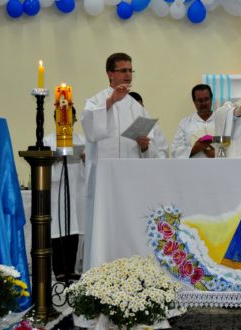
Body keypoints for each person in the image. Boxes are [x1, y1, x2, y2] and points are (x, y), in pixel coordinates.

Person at [81, 52, 168, 270]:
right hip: (105, 183)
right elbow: (90, 129)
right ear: (110, 74)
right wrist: (110, 102)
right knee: (105, 227)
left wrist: (145, 146)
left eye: (130, 70)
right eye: (123, 70)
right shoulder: (96, 101)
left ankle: (133, 270)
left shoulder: (136, 107)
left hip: (131, 184)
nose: (128, 74)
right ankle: (102, 271)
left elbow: (158, 147)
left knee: (130, 226)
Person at [43, 107, 85, 281]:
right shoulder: (48, 139)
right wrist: (56, 159)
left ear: (74, 120)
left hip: (76, 188)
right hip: (57, 190)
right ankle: (59, 269)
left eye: (70, 118)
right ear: (55, 119)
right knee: (58, 229)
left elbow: (90, 168)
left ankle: (72, 268)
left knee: (74, 229)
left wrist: (85, 159)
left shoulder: (81, 139)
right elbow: (43, 169)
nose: (66, 122)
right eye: (61, 118)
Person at [171, 84, 215, 158]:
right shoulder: (185, 124)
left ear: (211, 99)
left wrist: (218, 154)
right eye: (200, 101)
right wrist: (195, 149)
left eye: (206, 99)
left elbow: (230, 145)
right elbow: (175, 151)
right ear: (194, 102)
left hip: (218, 168)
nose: (204, 103)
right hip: (192, 168)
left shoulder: (221, 121)